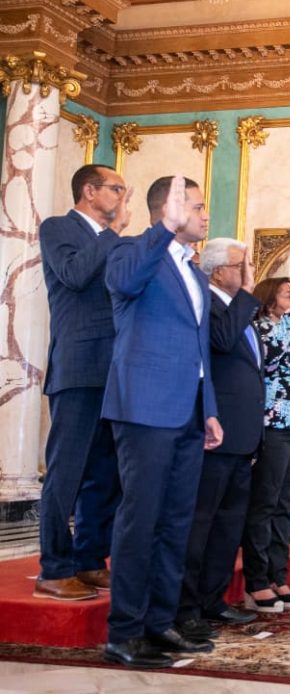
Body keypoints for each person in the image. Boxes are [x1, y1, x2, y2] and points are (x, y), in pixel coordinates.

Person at [101, 174, 223, 669]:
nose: (205, 215)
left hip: (189, 410)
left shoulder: (194, 274)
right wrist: (161, 231)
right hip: (145, 407)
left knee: (176, 522)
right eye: (195, 206)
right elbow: (121, 283)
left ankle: (159, 622)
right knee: (140, 519)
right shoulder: (133, 251)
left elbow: (200, 350)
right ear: (166, 209)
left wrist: (209, 407)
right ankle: (124, 631)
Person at [35, 164, 131, 601]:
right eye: (117, 190)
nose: (121, 198)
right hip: (77, 367)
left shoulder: (113, 240)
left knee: (104, 472)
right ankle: (54, 567)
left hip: (115, 369)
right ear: (90, 192)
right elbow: (74, 275)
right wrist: (113, 236)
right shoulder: (59, 228)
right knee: (67, 471)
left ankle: (91, 559)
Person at [174, 238, 265, 639]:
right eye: (240, 265)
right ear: (217, 271)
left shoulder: (235, 308)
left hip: (243, 436)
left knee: (229, 526)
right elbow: (222, 342)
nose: (247, 272)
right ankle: (187, 606)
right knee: (201, 524)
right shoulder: (206, 303)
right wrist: (247, 293)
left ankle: (213, 600)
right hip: (215, 433)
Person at [241, 275, 290, 612]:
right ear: (270, 299)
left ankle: (278, 575)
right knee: (265, 504)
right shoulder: (260, 330)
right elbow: (270, 358)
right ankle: (257, 581)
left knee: (284, 504)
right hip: (274, 425)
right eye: (288, 294)